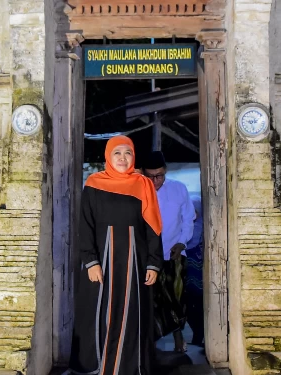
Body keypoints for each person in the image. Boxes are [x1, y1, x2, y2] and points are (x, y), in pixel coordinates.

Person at [69, 136, 164, 375]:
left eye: (128, 153)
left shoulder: (143, 184)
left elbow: (153, 227)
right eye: (117, 153)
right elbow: (86, 225)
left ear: (134, 157)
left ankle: (128, 368)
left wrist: (153, 263)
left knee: (131, 314)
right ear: (108, 156)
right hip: (102, 261)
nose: (123, 158)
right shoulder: (93, 183)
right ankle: (98, 366)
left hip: (135, 262)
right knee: (99, 313)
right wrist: (90, 261)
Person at [143, 151, 195, 353]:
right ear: (143, 173)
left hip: (174, 254)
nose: (156, 180)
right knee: (152, 301)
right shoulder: (137, 191)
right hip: (146, 257)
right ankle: (150, 345)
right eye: (151, 176)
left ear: (165, 172)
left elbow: (188, 219)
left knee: (177, 299)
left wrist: (182, 243)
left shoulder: (178, 189)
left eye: (160, 175)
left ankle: (178, 338)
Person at [184, 195, 204, 347]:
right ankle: (198, 334)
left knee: (198, 300)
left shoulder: (195, 202)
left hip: (197, 257)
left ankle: (199, 335)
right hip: (186, 255)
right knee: (188, 302)